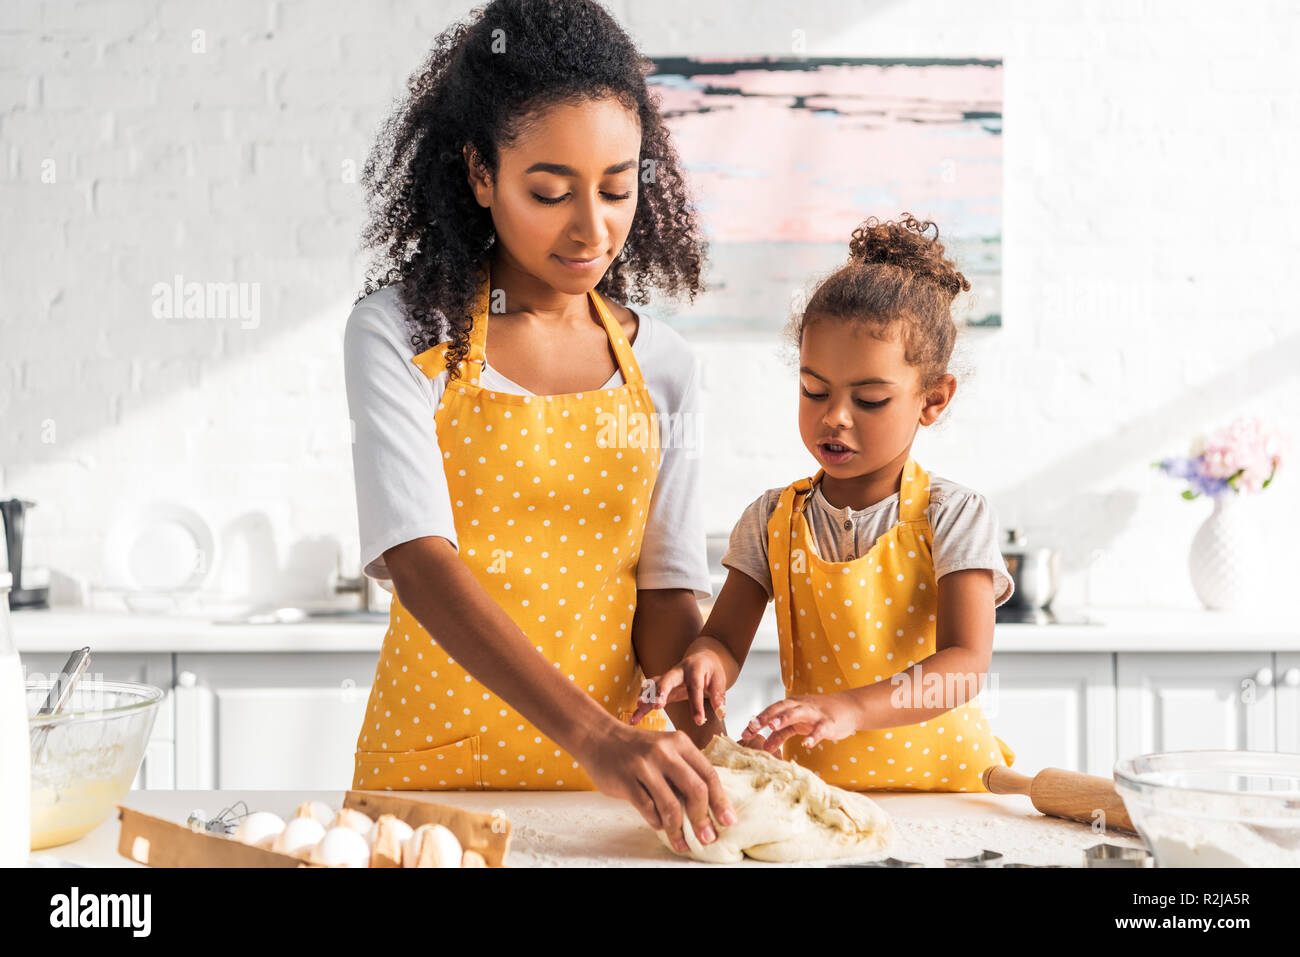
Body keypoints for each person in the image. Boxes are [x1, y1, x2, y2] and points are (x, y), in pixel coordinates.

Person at [344, 0, 734, 852]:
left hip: (617, 799)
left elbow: (667, 590)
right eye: (549, 191)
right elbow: (419, 561)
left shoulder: (663, 365)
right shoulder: (403, 336)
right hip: (432, 789)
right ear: (481, 174)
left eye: (617, 188)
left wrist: (708, 751)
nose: (592, 229)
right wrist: (597, 736)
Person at [633, 214, 1017, 791]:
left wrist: (851, 709)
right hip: (824, 799)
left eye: (869, 399)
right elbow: (725, 640)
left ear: (933, 399)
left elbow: (963, 668)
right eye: (815, 390)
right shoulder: (771, 520)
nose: (833, 416)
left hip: (951, 794)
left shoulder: (954, 515)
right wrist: (706, 663)